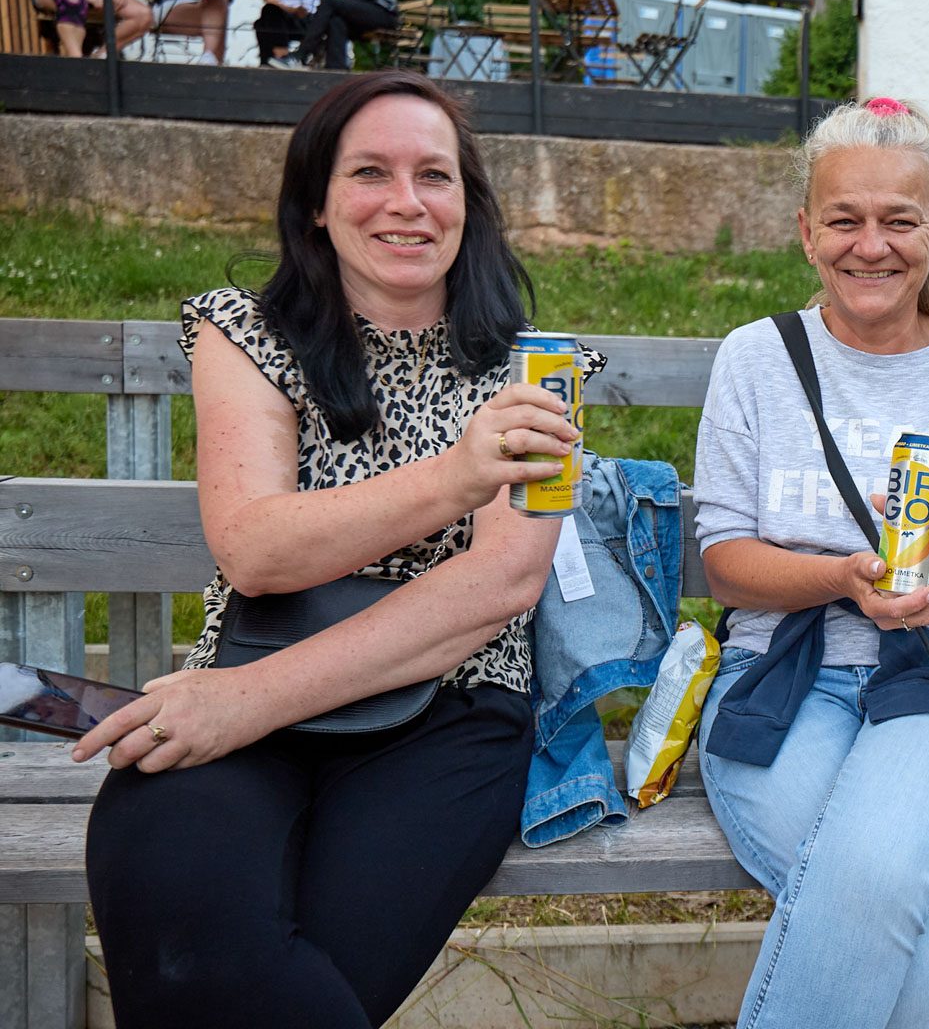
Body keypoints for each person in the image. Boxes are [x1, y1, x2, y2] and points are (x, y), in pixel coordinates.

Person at [76, 71, 598, 1028]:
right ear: (316, 202)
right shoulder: (246, 334)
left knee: (245, 989)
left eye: (434, 176)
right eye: (369, 173)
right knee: (175, 931)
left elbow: (501, 582)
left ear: (467, 203)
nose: (407, 202)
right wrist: (456, 475)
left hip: (449, 707)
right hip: (249, 669)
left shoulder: (536, 368)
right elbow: (257, 552)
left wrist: (245, 704)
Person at [691, 96, 929, 1029]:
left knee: (876, 876)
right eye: (844, 220)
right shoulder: (755, 358)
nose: (871, 245)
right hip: (776, 676)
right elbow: (725, 564)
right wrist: (844, 577)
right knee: (897, 933)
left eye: (900, 220)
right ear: (807, 232)